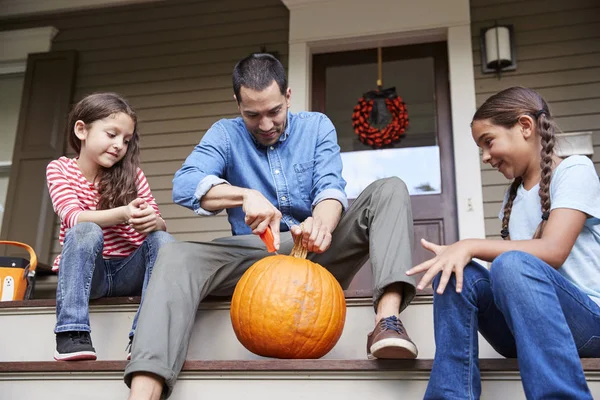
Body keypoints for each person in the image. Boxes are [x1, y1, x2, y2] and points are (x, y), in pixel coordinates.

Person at [125, 53, 418, 399]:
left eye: (274, 111)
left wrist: (320, 226)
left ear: (288, 97)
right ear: (238, 104)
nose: (265, 124)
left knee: (390, 188)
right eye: (252, 114)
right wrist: (243, 195)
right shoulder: (224, 134)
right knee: (174, 256)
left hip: (319, 251)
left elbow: (329, 189)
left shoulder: (317, 126)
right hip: (259, 258)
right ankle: (143, 393)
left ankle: (386, 322)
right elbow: (186, 185)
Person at [407, 86, 600, 399]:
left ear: (525, 126)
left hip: (589, 324)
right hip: (522, 329)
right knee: (456, 270)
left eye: (488, 142)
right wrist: (459, 254)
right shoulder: (512, 198)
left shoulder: (574, 170)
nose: (485, 156)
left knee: (509, 262)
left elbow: (552, 251)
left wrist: (469, 243)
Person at [46, 92, 175, 361]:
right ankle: (71, 333)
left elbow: (158, 224)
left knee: (164, 241)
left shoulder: (133, 175)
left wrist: (154, 222)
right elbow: (73, 217)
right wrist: (124, 214)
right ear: (81, 130)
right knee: (86, 230)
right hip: (90, 276)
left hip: (129, 272)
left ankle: (145, 337)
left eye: (126, 140)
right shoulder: (60, 169)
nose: (119, 145)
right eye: (111, 134)